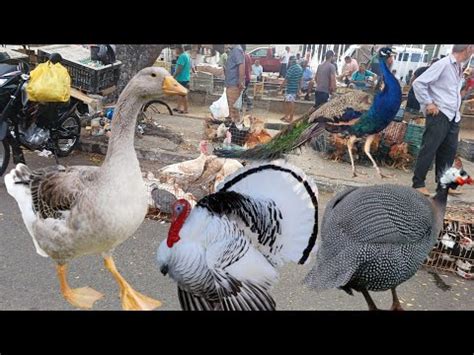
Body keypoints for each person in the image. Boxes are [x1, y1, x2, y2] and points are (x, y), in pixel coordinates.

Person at [411, 44, 473, 196]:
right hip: (440, 113)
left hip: (452, 115)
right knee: (429, 148)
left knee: (449, 151)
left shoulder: (458, 67)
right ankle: (418, 183)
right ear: (468, 48)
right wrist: (428, 103)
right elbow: (418, 83)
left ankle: (444, 184)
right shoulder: (443, 64)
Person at [224, 44, 246, 124]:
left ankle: (235, 130)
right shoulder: (233, 50)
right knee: (232, 109)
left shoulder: (237, 50)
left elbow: (241, 65)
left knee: (234, 111)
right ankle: (232, 130)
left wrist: (240, 81)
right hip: (231, 84)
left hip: (234, 84)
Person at [279, 56, 303, 123]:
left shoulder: (291, 68)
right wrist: (299, 89)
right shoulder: (300, 68)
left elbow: (286, 79)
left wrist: (281, 87)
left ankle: (290, 118)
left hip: (290, 88)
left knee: (290, 102)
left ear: (290, 61)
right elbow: (300, 80)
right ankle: (286, 115)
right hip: (295, 88)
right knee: (287, 101)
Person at [173, 45, 191, 114]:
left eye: (175, 49)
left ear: (179, 49)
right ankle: (178, 107)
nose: (175, 51)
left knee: (183, 95)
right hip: (184, 77)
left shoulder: (182, 56)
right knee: (180, 94)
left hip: (182, 78)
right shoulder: (186, 55)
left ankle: (185, 109)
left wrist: (173, 77)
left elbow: (179, 69)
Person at [241, 44, 253, 111]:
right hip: (247, 77)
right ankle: (243, 106)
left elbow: (241, 68)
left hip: (244, 77)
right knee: (243, 92)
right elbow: (250, 67)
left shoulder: (242, 56)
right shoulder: (247, 55)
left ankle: (249, 104)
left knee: (242, 93)